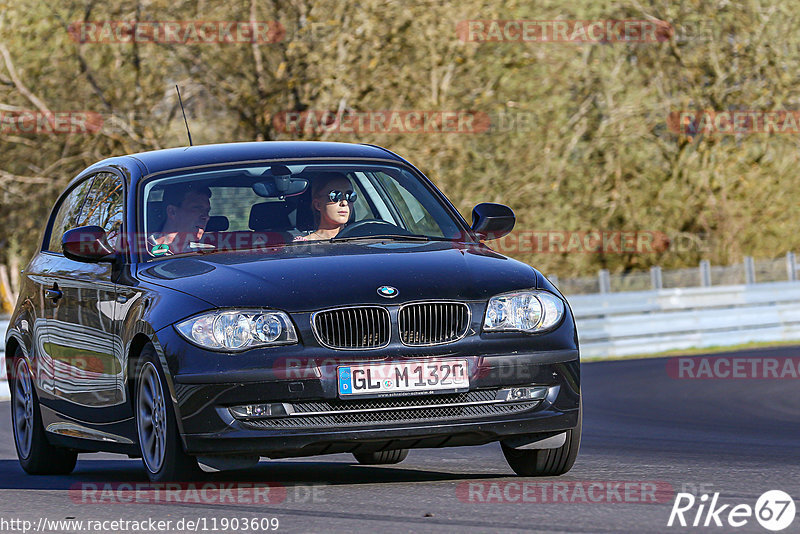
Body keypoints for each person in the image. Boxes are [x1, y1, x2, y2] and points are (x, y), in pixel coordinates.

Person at [147, 184, 212, 256]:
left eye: (207, 211)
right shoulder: (139, 250)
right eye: (197, 208)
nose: (206, 217)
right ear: (172, 212)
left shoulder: (208, 254)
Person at [294, 173, 356, 241]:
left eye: (350, 196)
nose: (344, 202)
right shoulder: (303, 246)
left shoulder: (364, 238)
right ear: (318, 205)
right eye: (335, 196)